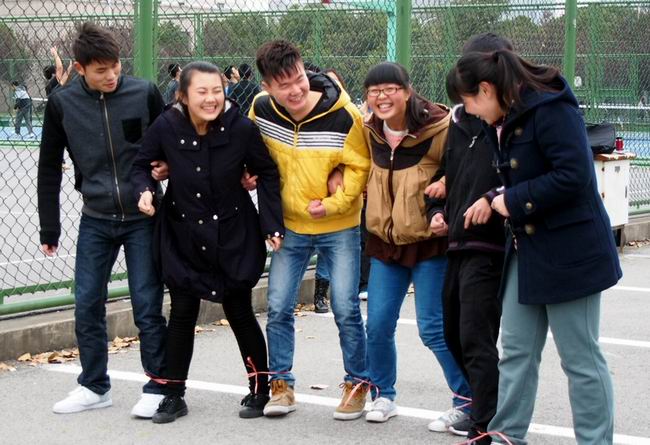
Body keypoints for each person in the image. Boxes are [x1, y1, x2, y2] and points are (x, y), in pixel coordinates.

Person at [446, 42, 622, 445]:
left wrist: (511, 200)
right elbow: (518, 174)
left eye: (470, 102)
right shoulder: (500, 117)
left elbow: (574, 175)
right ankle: (506, 436)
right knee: (516, 351)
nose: (470, 112)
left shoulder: (551, 108)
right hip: (526, 251)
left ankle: (596, 441)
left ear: (486, 89)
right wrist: (494, 196)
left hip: (571, 253)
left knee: (580, 358)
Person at [132, 61, 284, 423]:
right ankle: (172, 394)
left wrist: (271, 224)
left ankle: (260, 389)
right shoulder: (167, 125)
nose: (211, 98)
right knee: (182, 312)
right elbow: (140, 164)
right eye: (202, 91)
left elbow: (267, 172)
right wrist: (145, 190)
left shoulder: (241, 128)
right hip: (183, 234)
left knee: (239, 310)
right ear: (183, 96)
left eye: (217, 90)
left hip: (232, 234)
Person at [37, 22, 168, 419]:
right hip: (95, 217)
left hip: (143, 216)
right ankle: (94, 386)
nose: (112, 75)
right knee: (86, 303)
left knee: (146, 303)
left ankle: (159, 387)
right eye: (101, 70)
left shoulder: (144, 93)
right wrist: (49, 226)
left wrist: (164, 168)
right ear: (79, 69)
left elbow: (170, 142)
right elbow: (48, 167)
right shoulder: (62, 104)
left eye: (116, 66)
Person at [249, 40, 370, 420]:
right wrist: (245, 173)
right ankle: (280, 385)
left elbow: (360, 167)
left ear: (306, 71)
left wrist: (333, 203)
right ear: (267, 87)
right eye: (283, 85)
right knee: (279, 306)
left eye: (299, 78)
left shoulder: (344, 114)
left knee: (345, 307)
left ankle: (357, 384)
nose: (295, 90)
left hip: (339, 224)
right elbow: (251, 152)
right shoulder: (261, 109)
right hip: (289, 226)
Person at [360, 62, 472, 427]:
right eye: (374, 91)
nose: (381, 97)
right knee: (377, 325)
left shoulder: (441, 127)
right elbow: (351, 164)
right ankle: (383, 395)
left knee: (434, 328)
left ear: (408, 91)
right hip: (385, 242)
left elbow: (463, 168)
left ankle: (468, 401)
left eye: (390, 89)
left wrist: (445, 196)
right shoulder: (368, 129)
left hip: (429, 243)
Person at [426, 33, 512, 442]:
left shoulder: (510, 122)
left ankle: (484, 422)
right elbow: (447, 176)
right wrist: (437, 210)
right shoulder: (460, 122)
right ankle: (483, 407)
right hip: (457, 242)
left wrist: (492, 198)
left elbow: (521, 176)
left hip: (490, 245)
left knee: (477, 335)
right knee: (452, 331)